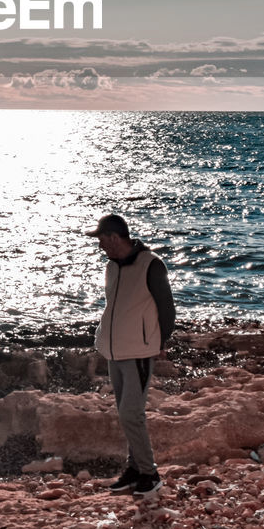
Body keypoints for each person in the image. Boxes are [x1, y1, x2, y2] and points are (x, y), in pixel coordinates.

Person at [87, 213, 175, 497]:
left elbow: (167, 308)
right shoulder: (111, 267)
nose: (100, 246)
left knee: (131, 414)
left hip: (138, 350)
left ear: (114, 238)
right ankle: (134, 470)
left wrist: (161, 340)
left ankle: (150, 475)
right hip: (114, 350)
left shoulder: (151, 264)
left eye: (102, 240)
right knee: (127, 415)